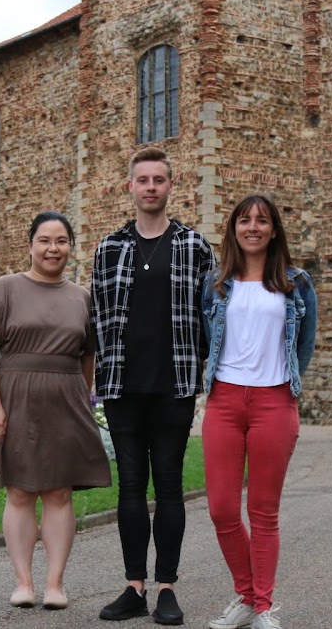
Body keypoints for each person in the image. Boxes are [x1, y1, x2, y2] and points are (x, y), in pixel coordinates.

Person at [92, 147, 217, 625]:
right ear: (130, 187)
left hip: (175, 384)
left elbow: (211, 319)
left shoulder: (194, 246)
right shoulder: (109, 248)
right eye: (142, 180)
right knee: (128, 489)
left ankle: (166, 586)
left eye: (158, 180)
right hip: (122, 385)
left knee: (167, 487)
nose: (150, 187)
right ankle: (133, 587)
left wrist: (210, 373)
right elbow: (96, 318)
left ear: (170, 185)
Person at [0, 210, 112, 611]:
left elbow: (88, 357)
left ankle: (55, 584)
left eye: (61, 241)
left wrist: (81, 400)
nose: (53, 248)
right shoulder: (7, 288)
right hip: (16, 397)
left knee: (59, 492)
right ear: (30, 245)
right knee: (19, 491)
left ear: (70, 246)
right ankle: (23, 582)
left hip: (66, 400)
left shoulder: (83, 297)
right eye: (45, 240)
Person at [199, 195, 317, 629]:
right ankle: (247, 596)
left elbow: (304, 344)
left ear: (273, 230)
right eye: (245, 220)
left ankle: (262, 606)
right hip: (225, 401)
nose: (253, 227)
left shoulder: (296, 282)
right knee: (222, 509)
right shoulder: (215, 282)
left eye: (262, 221)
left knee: (264, 510)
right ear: (233, 229)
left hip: (274, 401)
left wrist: (286, 387)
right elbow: (205, 335)